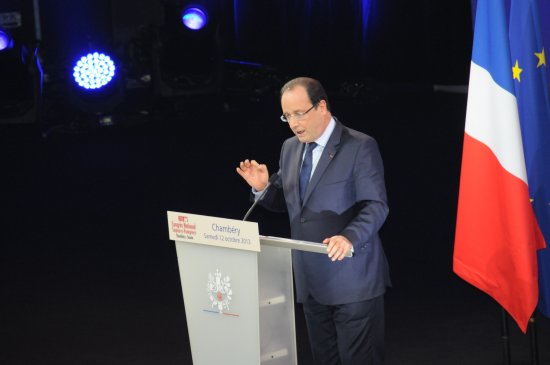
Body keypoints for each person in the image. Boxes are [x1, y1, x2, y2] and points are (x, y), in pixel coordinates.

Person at [236, 77, 390, 365]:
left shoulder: (360, 146)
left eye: (299, 113)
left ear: (322, 107)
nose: (294, 123)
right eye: (287, 116)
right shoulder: (290, 148)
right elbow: (289, 203)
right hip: (310, 283)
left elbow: (375, 206)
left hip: (352, 281)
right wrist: (262, 188)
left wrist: (349, 237)